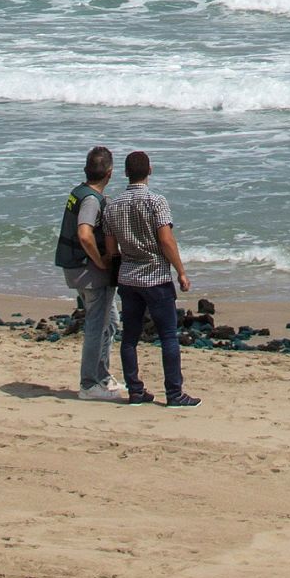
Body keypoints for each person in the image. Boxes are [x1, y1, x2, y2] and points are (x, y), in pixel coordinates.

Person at [101, 151, 200, 408]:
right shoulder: (156, 201)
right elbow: (166, 240)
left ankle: (135, 390)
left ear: (125, 173)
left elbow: (112, 249)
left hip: (128, 277)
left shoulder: (113, 205)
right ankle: (174, 394)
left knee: (130, 336)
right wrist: (181, 271)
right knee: (168, 335)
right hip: (155, 276)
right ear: (150, 171)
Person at [56, 146, 123, 401]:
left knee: (111, 322)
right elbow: (85, 234)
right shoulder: (92, 200)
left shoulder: (78, 192)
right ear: (109, 172)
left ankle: (102, 377)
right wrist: (102, 262)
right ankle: (89, 384)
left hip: (76, 270)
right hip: (89, 272)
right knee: (97, 326)